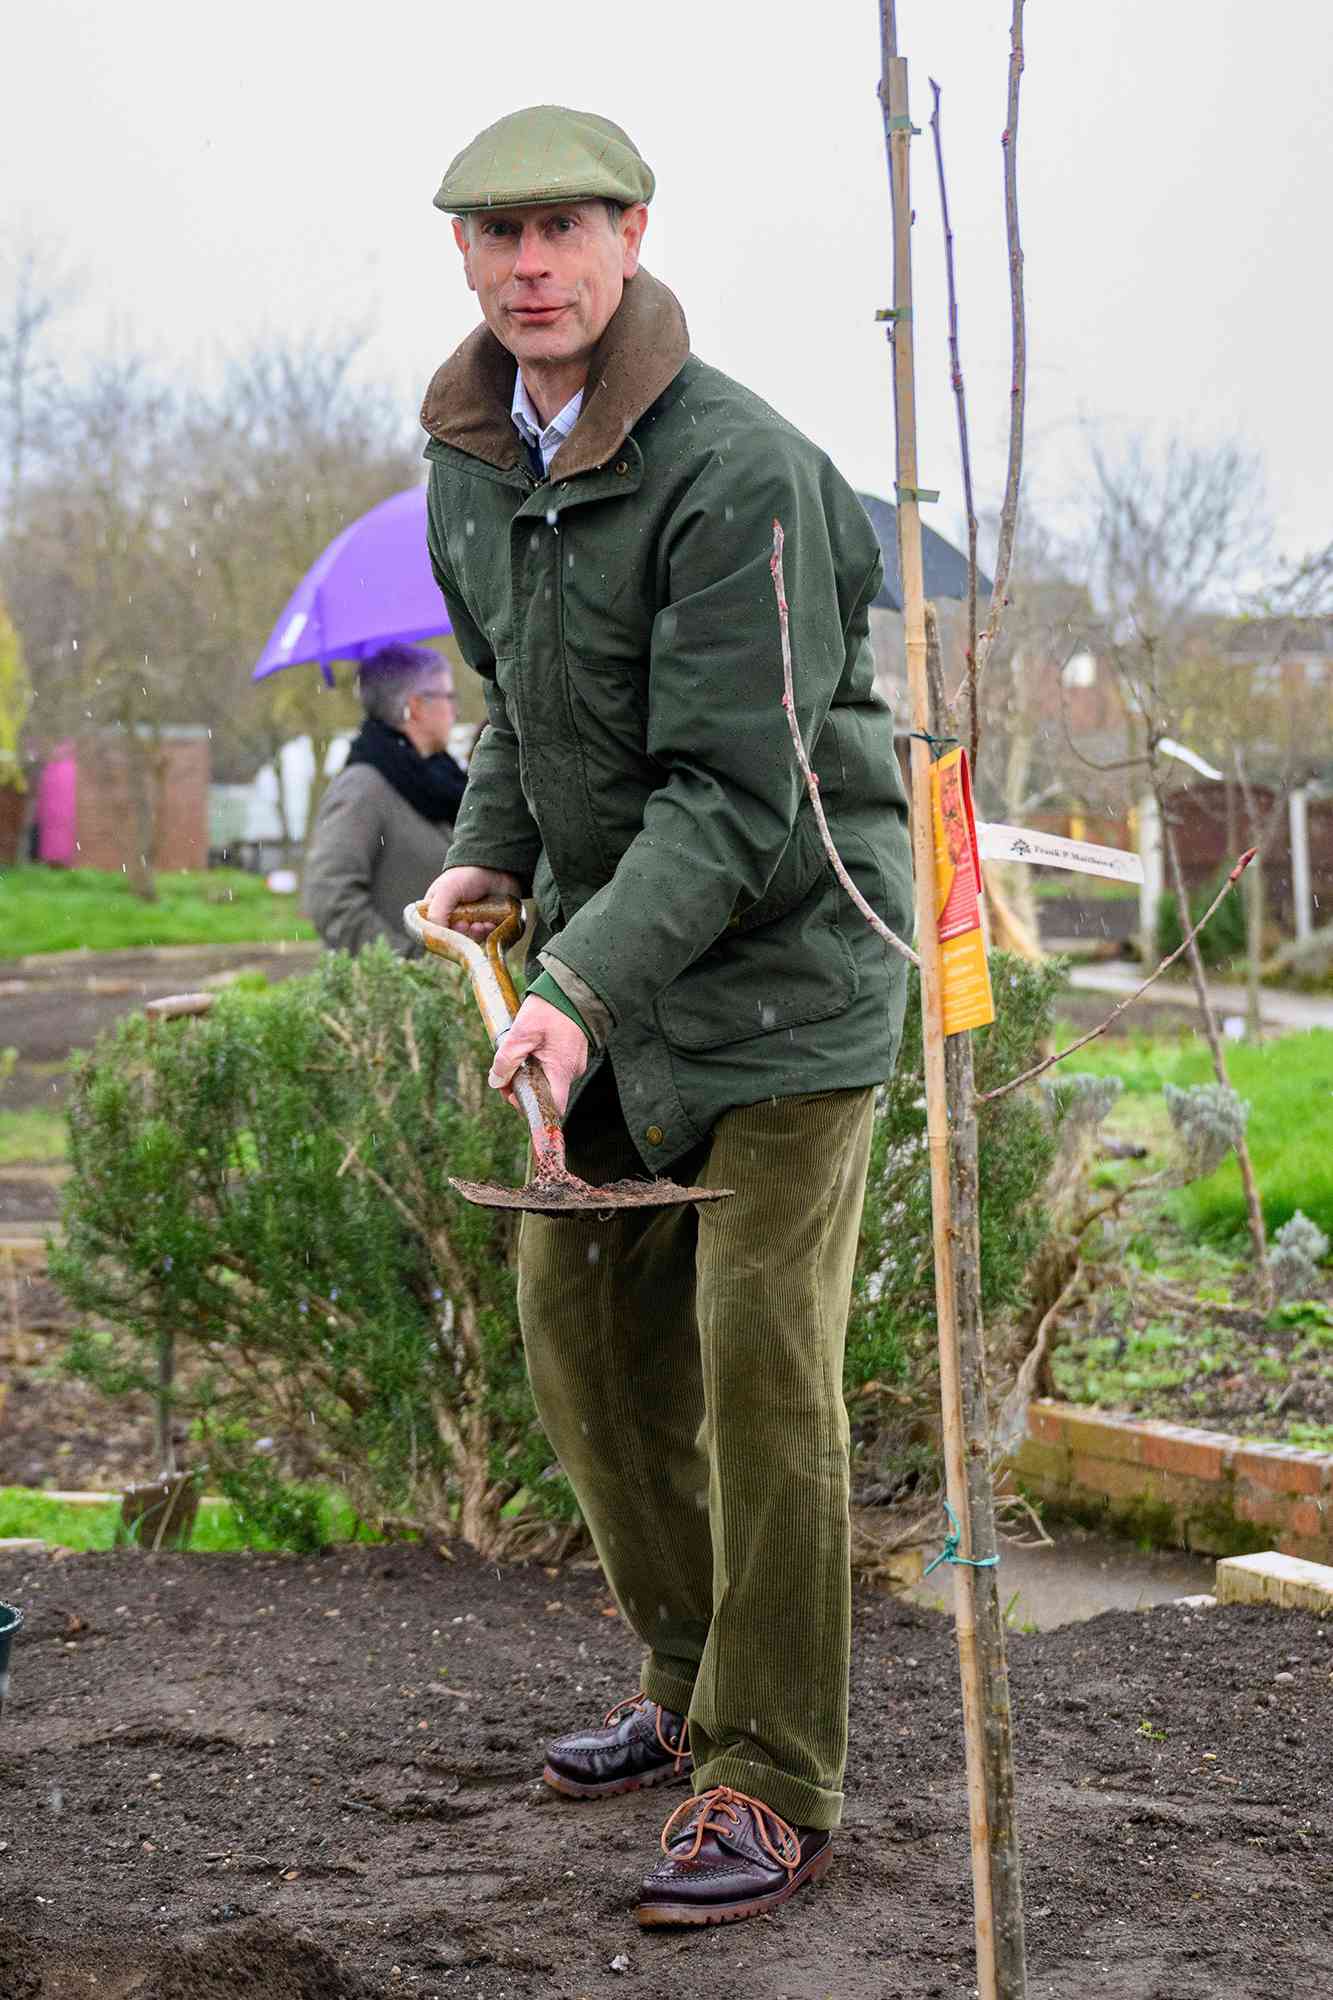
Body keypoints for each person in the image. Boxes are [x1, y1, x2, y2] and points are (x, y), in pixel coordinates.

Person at [421, 104, 913, 1929]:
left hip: (788, 974)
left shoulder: (742, 472)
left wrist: (572, 987)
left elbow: (734, 797)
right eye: (495, 237)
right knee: (582, 1332)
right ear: (462, 258)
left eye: (561, 230)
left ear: (630, 234)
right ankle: (689, 1672)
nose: (528, 265)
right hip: (616, 975)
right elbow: (514, 706)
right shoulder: (470, 457)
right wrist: (487, 859)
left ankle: (770, 1776)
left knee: (757, 1358)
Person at [304, 642, 465, 955]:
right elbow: (330, 899)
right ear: (417, 706)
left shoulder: (438, 779)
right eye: (449, 697)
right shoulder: (363, 787)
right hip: (401, 997)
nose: (455, 710)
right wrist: (407, 965)